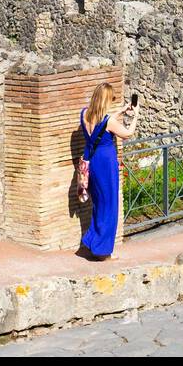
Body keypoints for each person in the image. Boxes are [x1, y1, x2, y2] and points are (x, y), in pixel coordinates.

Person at [78, 82, 138, 260]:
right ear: (106, 99)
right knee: (109, 206)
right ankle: (103, 252)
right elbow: (127, 133)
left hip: (92, 162)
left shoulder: (84, 114)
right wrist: (135, 116)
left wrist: (120, 112)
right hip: (106, 165)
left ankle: (92, 241)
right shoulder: (109, 121)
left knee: (98, 204)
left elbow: (102, 122)